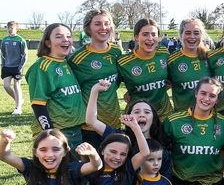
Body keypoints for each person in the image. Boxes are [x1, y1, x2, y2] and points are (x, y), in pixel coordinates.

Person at [86, 79, 173, 181]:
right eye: (136, 112)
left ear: (153, 119)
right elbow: (91, 121)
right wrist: (95, 91)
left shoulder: (160, 147)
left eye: (147, 112)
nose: (142, 115)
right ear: (129, 116)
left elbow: (167, 178)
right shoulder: (121, 138)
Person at [26, 23, 84, 154]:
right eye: (59, 36)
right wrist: (51, 134)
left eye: (68, 36)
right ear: (48, 43)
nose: (65, 40)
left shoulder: (65, 62)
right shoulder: (42, 67)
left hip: (74, 129)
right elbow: (38, 104)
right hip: (58, 132)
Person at [68, 10, 123, 146]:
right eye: (97, 24)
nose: (103, 28)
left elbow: (119, 79)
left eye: (107, 23)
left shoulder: (116, 51)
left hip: (114, 121)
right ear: (88, 28)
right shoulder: (78, 59)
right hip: (90, 127)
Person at [117, 19, 173, 120]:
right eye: (145, 34)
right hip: (139, 117)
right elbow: (111, 87)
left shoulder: (163, 52)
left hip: (164, 115)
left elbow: (173, 75)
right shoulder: (123, 62)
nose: (150, 38)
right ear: (136, 37)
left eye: (154, 34)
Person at [167, 18, 211, 112]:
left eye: (196, 33)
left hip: (207, 115)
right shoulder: (172, 60)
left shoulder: (210, 56)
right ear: (181, 35)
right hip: (182, 116)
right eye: (187, 33)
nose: (192, 37)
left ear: (201, 35)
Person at [2, 21, 27, 114]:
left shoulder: (20, 40)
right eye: (8, 28)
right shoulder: (4, 39)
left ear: (16, 29)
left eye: (12, 28)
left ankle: (18, 108)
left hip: (17, 67)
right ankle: (19, 100)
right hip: (7, 66)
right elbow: (2, 53)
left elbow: (25, 55)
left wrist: (20, 66)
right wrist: (3, 64)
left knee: (16, 86)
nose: (10, 29)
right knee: (6, 86)